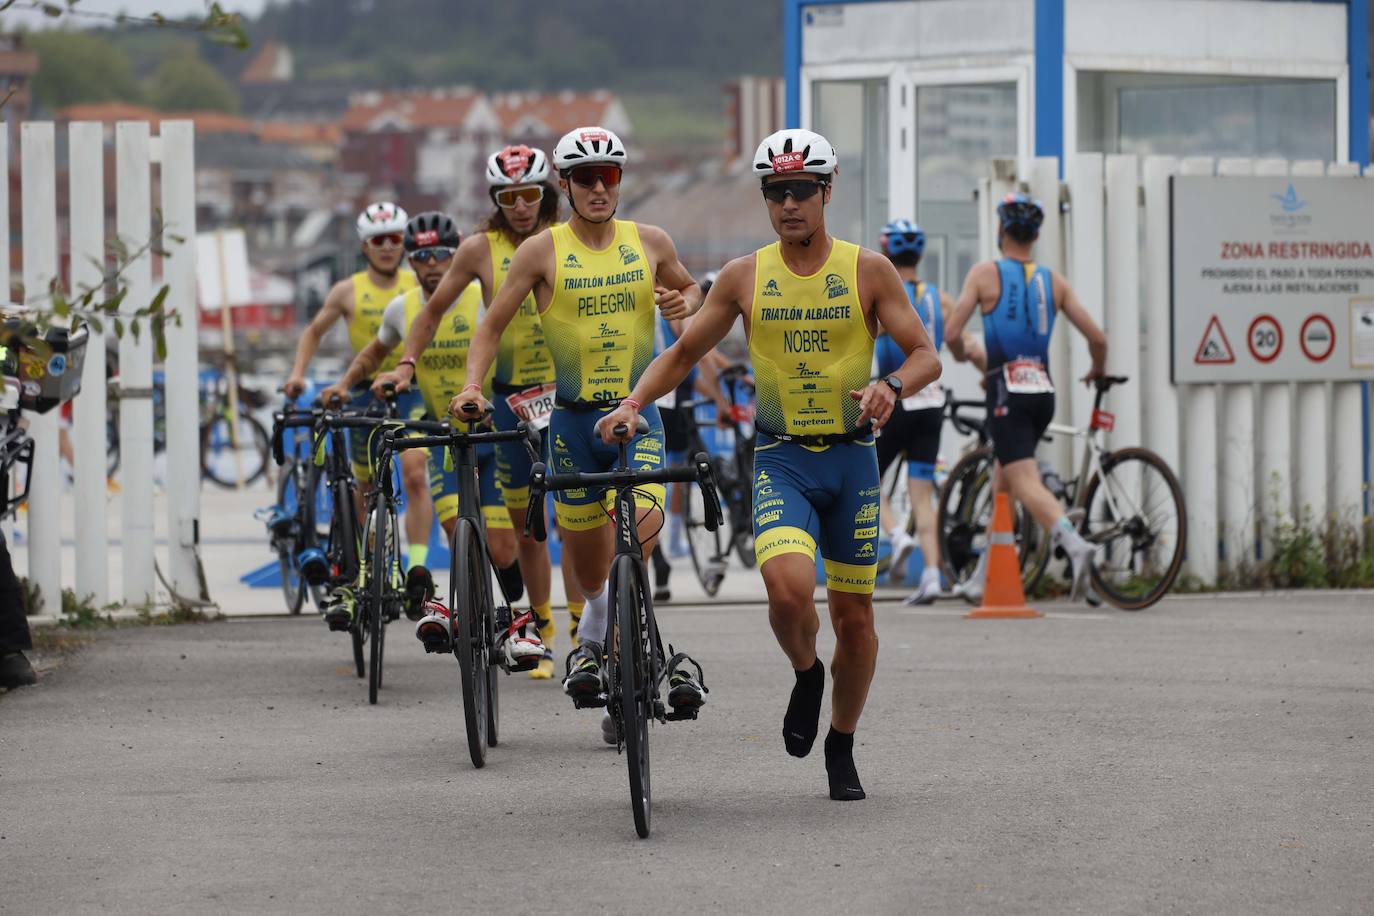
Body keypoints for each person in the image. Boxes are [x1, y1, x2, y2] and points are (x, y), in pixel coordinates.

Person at [596, 128, 941, 800]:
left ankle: (841, 742)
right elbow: (685, 352)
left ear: (826, 191)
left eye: (801, 191)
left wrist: (892, 385)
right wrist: (635, 401)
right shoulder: (744, 275)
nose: (789, 205)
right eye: (776, 193)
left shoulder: (868, 270)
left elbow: (925, 353)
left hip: (851, 463)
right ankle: (807, 673)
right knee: (786, 593)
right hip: (782, 460)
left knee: (856, 620)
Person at [449, 126, 707, 738]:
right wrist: (471, 387)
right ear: (563, 185)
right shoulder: (540, 251)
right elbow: (489, 327)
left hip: (638, 418)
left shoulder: (650, 242)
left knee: (639, 536)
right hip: (571, 423)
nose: (598, 187)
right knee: (592, 574)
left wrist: (686, 304)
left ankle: (622, 647)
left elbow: (693, 289)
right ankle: (595, 632)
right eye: (585, 178)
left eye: (609, 176)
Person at [378, 145, 574, 679]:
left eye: (529, 195)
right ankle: (541, 625)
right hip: (512, 396)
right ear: (495, 199)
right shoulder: (478, 248)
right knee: (525, 528)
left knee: (579, 516)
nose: (519, 206)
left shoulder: (568, 237)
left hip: (570, 387)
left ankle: (586, 625)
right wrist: (406, 365)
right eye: (507, 197)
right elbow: (431, 311)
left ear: (545, 193)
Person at [318, 212, 541, 664]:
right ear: (411, 261)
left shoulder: (482, 296)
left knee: (502, 547)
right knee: (457, 531)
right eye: (422, 256)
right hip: (445, 438)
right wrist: (347, 383)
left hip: (491, 434)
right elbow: (376, 352)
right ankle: (464, 610)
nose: (433, 264)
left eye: (442, 254)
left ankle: (519, 618)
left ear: (457, 254)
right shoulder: (404, 308)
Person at [944, 192, 1107, 601]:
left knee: (1024, 481)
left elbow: (951, 335)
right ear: (1035, 235)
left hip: (1007, 394)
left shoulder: (985, 274)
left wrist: (969, 358)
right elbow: (1098, 338)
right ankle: (983, 575)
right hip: (1042, 395)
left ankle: (1073, 543)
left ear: (1001, 230)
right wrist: (1096, 368)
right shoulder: (1053, 281)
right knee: (1003, 483)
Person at [283, 202, 435, 630]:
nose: (388, 248)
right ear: (364, 246)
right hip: (362, 395)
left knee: (416, 473)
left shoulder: (420, 282)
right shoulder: (347, 291)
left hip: (412, 392)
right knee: (363, 489)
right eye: (378, 241)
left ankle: (418, 572)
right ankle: (358, 572)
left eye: (395, 240)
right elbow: (313, 331)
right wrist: (297, 374)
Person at [870, 219, 985, 604]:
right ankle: (933, 576)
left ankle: (898, 536)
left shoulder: (883, 293)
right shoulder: (940, 297)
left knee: (870, 479)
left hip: (896, 400)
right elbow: (959, 346)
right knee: (922, 496)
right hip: (932, 404)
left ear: (887, 253)